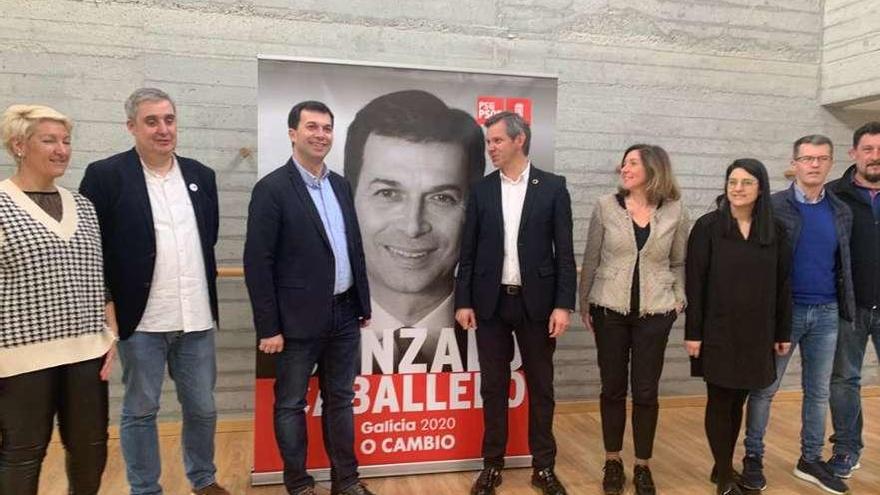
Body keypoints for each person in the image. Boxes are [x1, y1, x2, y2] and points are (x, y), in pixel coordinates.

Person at [80, 88, 228, 495]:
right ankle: (145, 488)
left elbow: (207, 237)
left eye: (169, 119)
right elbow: (92, 248)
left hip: (196, 316)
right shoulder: (105, 176)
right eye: (152, 121)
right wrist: (106, 306)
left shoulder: (201, 176)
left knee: (203, 408)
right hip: (140, 319)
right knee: (141, 410)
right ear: (131, 126)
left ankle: (204, 479)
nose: (163, 129)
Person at [244, 100, 374, 495]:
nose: (321, 135)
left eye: (327, 128)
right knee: (290, 405)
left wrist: (363, 304)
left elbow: (353, 246)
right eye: (312, 127)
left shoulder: (340, 185)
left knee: (340, 401)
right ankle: (299, 485)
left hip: (345, 314)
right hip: (295, 321)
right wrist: (269, 326)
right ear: (292, 133)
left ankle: (346, 482)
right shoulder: (271, 189)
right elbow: (258, 262)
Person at [455, 111, 576, 495]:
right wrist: (463, 301)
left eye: (496, 141)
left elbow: (565, 254)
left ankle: (544, 466)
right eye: (488, 142)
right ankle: (492, 465)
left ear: (518, 140)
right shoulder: (482, 190)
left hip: (537, 306)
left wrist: (563, 305)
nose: (490, 148)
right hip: (490, 304)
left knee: (541, 386)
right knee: (493, 386)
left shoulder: (553, 187)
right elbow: (468, 251)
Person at [0, 104, 116, 494]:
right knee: (22, 454)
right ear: (19, 145)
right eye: (49, 140)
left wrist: (109, 334)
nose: (62, 149)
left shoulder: (83, 205)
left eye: (66, 141)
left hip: (85, 353)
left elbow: (97, 277)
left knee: (91, 451)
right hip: (20, 357)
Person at [742, 135, 854, 495]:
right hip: (785, 312)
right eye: (807, 158)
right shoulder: (772, 207)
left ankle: (810, 458)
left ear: (830, 163)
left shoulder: (840, 209)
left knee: (818, 392)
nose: (815, 165)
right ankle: (753, 457)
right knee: (764, 390)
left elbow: (842, 264)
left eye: (822, 158)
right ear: (795, 162)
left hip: (826, 312)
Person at [343, 90, 484, 373]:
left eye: (442, 198)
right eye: (388, 193)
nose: (412, 227)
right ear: (350, 199)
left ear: (472, 209)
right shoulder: (315, 327)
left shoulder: (501, 334)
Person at [578, 144, 688, 495]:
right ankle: (612, 460)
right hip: (609, 310)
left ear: (654, 169)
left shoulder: (675, 211)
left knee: (645, 391)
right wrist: (584, 304)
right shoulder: (605, 207)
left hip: (656, 313)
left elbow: (679, 262)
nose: (624, 168)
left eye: (633, 163)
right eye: (624, 163)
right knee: (612, 388)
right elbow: (592, 256)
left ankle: (643, 465)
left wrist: (679, 299)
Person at [685, 159, 792, 495]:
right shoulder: (708, 227)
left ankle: (723, 466)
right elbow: (695, 283)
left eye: (747, 182)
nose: (738, 188)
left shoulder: (775, 230)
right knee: (719, 400)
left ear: (760, 188)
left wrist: (782, 333)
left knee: (738, 402)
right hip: (717, 331)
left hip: (758, 332)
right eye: (732, 181)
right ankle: (726, 479)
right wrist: (694, 332)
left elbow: (783, 284)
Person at [828, 121, 880, 479]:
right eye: (868, 149)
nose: (876, 157)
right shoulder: (833, 195)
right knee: (845, 380)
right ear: (854, 154)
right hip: (849, 306)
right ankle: (846, 449)